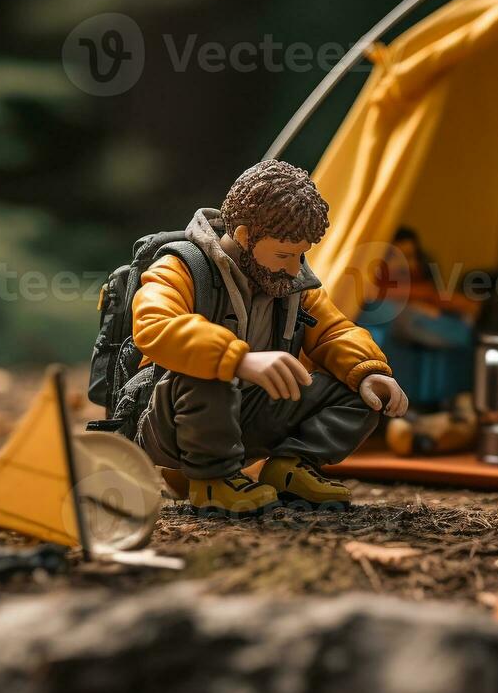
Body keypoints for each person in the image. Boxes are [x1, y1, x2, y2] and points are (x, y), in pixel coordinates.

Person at [131, 161, 408, 516]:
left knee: (358, 393)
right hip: (171, 414)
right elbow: (155, 325)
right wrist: (238, 358)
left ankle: (290, 467)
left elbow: (334, 330)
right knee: (209, 374)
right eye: (283, 255)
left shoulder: (289, 282)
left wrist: (368, 370)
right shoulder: (182, 267)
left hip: (251, 410)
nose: (295, 269)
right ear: (246, 237)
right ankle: (212, 478)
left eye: (300, 255)